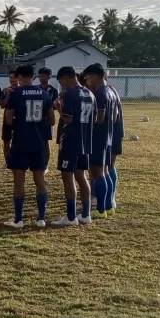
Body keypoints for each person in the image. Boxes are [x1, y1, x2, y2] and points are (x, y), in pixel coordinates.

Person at [4, 64, 55, 229]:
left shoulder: (15, 93)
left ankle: (18, 219)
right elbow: (52, 120)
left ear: (19, 77)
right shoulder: (45, 94)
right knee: (39, 179)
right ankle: (41, 218)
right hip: (39, 142)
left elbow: (9, 120)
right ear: (34, 76)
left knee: (19, 180)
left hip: (20, 142)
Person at [51, 66, 95, 227]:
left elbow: (68, 119)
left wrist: (58, 107)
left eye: (61, 82)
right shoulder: (90, 93)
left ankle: (70, 217)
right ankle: (86, 214)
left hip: (70, 140)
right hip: (85, 140)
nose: (62, 85)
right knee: (81, 176)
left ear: (65, 78)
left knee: (67, 176)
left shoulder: (70, 94)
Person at [84, 63, 116, 219]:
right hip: (109, 136)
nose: (87, 80)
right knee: (105, 172)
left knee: (98, 173)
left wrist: (85, 122)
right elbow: (115, 116)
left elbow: (100, 118)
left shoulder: (101, 93)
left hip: (98, 137)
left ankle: (101, 209)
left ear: (94, 75)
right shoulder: (111, 91)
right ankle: (109, 206)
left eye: (88, 77)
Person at [38, 67, 59, 169]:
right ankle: (37, 162)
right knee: (36, 141)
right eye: (40, 75)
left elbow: (55, 105)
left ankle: (45, 164)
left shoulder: (53, 90)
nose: (41, 77)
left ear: (49, 76)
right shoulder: (36, 89)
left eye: (43, 75)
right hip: (36, 119)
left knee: (45, 142)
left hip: (47, 120)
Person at [108, 84, 124, 211]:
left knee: (104, 168)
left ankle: (109, 199)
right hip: (116, 133)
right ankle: (111, 198)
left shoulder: (103, 92)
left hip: (109, 134)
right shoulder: (113, 90)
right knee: (110, 166)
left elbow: (113, 115)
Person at [0, 70, 18, 163]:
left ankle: (18, 160)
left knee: (19, 141)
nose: (12, 80)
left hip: (19, 119)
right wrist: (7, 95)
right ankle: (8, 161)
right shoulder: (6, 90)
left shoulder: (22, 90)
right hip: (7, 119)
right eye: (10, 77)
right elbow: (2, 105)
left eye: (14, 77)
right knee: (6, 140)